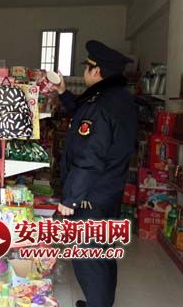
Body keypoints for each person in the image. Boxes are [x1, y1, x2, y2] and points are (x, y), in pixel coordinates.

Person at [53, 40, 137, 307]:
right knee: (103, 254)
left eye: (87, 68)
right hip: (109, 191)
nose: (85, 73)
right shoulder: (118, 98)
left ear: (97, 71)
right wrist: (63, 91)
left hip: (91, 196)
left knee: (89, 259)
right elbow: (82, 113)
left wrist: (70, 198)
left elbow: (89, 157)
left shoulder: (100, 105)